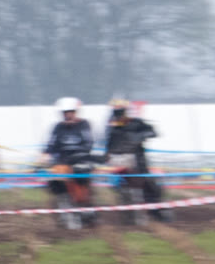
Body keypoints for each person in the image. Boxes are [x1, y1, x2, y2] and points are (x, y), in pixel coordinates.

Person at [99, 98, 163, 219]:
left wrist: (140, 136)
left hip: (138, 160)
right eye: (116, 112)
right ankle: (127, 211)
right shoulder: (112, 127)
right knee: (120, 186)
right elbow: (109, 143)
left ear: (125, 111)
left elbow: (153, 132)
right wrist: (107, 154)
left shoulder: (135, 123)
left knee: (151, 185)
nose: (118, 115)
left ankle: (157, 211)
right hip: (120, 162)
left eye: (120, 112)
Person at [41, 96, 98, 228]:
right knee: (55, 181)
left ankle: (87, 211)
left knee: (81, 184)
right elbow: (52, 143)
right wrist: (45, 154)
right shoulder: (58, 127)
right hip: (62, 161)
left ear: (75, 112)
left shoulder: (84, 125)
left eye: (70, 112)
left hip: (80, 159)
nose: (68, 115)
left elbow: (88, 143)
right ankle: (65, 211)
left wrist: (78, 155)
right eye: (65, 113)